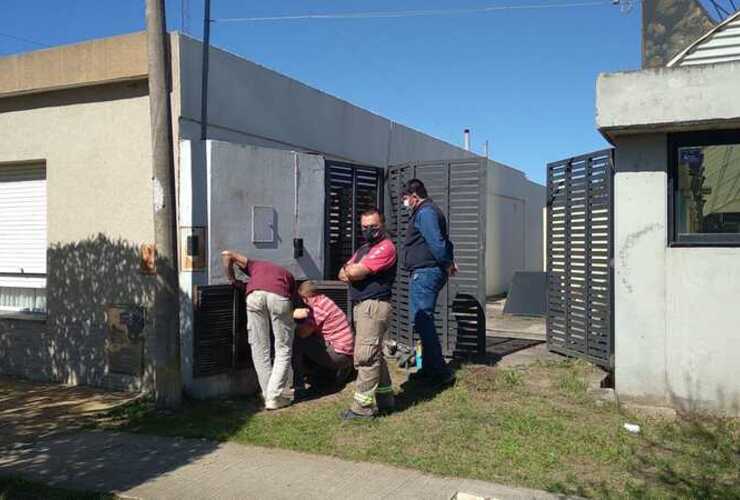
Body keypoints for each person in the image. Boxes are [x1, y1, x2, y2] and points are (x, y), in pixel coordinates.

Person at [338, 209, 397, 420]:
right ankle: (386, 399)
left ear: (382, 224)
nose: (369, 230)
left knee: (366, 356)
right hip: (363, 306)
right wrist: (350, 269)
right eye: (364, 227)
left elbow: (351, 273)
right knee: (374, 354)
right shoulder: (364, 248)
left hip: (374, 306)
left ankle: (361, 409)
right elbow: (342, 274)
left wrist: (351, 269)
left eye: (373, 226)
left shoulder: (386, 247)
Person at [221, 250, 296, 410]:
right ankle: (274, 396)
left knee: (259, 347)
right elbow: (290, 298)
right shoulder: (287, 275)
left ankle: (268, 394)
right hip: (280, 297)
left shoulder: (254, 265)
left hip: (254, 296)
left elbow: (227, 254)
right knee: (283, 348)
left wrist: (232, 280)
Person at [401, 179, 457, 387]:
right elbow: (442, 241)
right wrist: (447, 262)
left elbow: (437, 242)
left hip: (425, 272)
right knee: (423, 321)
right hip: (427, 270)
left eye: (405, 199)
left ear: (414, 196)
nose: (405, 203)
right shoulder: (427, 211)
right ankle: (427, 368)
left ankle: (440, 372)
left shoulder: (425, 213)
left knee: (423, 320)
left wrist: (447, 262)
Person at [292, 281, 354, 397]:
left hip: (340, 355)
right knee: (312, 339)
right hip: (346, 352)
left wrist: (292, 319)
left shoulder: (317, 309)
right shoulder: (324, 300)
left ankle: (298, 384)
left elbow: (303, 333)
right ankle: (333, 371)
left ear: (304, 298)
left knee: (298, 341)